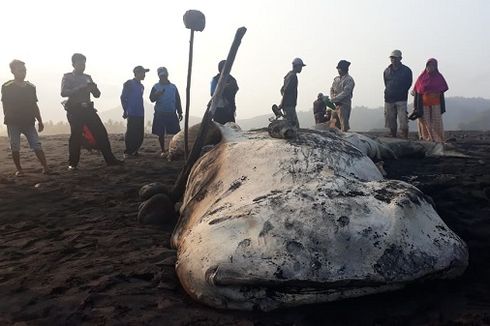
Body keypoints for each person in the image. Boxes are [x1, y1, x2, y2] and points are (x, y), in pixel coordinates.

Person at [61, 53, 123, 169]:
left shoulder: (87, 77)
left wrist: (94, 88)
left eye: (84, 64)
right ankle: (73, 163)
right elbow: (64, 92)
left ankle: (110, 159)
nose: (82, 66)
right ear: (73, 64)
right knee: (76, 136)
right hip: (75, 110)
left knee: (101, 133)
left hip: (88, 109)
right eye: (79, 64)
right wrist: (81, 88)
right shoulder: (68, 77)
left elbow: (97, 95)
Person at [1, 60, 49, 176]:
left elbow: (34, 105)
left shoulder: (31, 87)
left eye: (24, 70)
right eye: (20, 71)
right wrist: (7, 117)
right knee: (15, 145)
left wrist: (40, 120)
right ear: (13, 71)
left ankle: (46, 167)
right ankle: (19, 169)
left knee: (36, 144)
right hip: (13, 122)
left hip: (28, 121)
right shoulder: (7, 87)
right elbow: (5, 104)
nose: (23, 73)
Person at [412, 58, 449, 143]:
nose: (430, 68)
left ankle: (438, 139)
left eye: (432, 66)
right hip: (424, 104)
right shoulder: (421, 77)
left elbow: (443, 88)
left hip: (436, 103)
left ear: (436, 67)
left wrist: (436, 93)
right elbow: (417, 91)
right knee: (426, 122)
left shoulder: (439, 77)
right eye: (428, 66)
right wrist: (415, 106)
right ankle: (427, 139)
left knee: (436, 123)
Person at [149, 67, 183, 156]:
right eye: (161, 76)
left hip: (171, 112)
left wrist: (180, 112)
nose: (162, 77)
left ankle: (173, 149)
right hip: (160, 113)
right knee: (160, 133)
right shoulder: (156, 87)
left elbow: (177, 100)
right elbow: (151, 99)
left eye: (164, 75)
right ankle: (163, 150)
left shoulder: (173, 87)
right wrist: (157, 94)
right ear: (159, 76)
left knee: (175, 133)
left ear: (167, 75)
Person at [121, 65, 149, 157]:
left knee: (140, 133)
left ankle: (135, 150)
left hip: (140, 112)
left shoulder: (141, 86)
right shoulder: (129, 83)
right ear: (137, 73)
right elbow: (123, 97)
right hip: (132, 112)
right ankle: (128, 151)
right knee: (131, 132)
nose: (144, 75)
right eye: (143, 73)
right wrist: (125, 110)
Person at [383, 50, 413, 138]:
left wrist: (401, 91)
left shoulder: (406, 70)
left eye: (395, 58)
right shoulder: (386, 71)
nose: (393, 60)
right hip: (389, 98)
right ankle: (393, 135)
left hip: (401, 98)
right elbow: (386, 83)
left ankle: (405, 136)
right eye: (392, 58)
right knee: (390, 119)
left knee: (403, 120)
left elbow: (409, 83)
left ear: (400, 58)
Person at [280, 57, 306, 128]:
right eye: (300, 66)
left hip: (288, 105)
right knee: (293, 127)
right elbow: (286, 91)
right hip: (289, 106)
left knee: (289, 124)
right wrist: (282, 103)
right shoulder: (293, 76)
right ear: (296, 66)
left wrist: (283, 103)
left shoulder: (288, 75)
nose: (301, 68)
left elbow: (282, 90)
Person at [210, 60, 239, 124]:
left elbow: (235, 88)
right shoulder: (215, 79)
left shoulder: (231, 79)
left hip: (229, 108)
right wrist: (223, 87)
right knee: (219, 129)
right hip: (218, 109)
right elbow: (212, 93)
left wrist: (229, 87)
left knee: (231, 128)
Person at [330, 60, 355, 132]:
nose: (338, 70)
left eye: (339, 68)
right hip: (335, 106)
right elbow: (332, 89)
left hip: (344, 105)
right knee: (333, 125)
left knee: (344, 126)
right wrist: (332, 98)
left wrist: (335, 99)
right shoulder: (336, 79)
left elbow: (345, 92)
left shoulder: (349, 80)